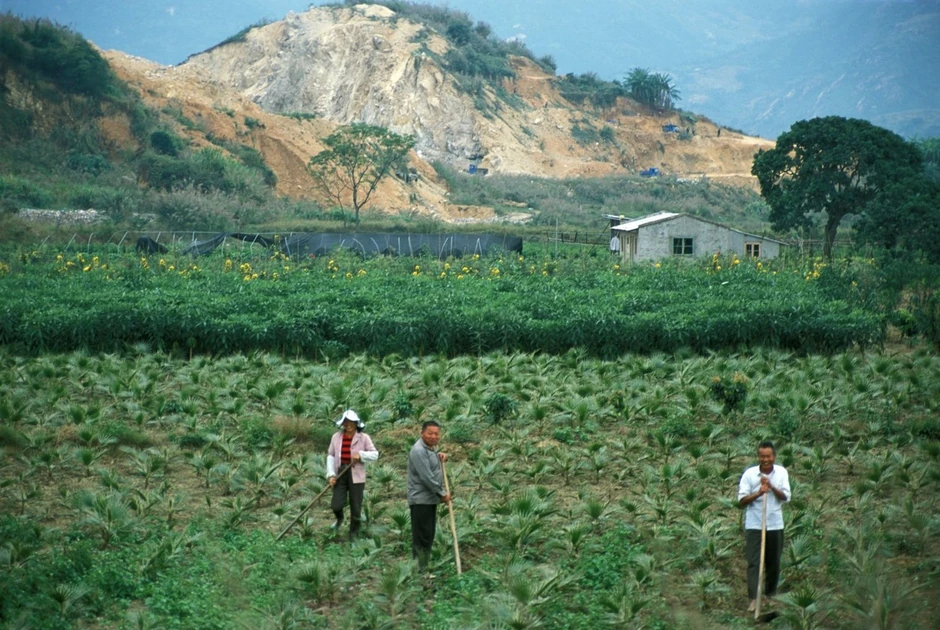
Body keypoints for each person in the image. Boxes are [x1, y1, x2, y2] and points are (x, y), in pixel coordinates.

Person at [738, 440, 791, 612]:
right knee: (754, 562)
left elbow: (786, 497)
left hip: (775, 524)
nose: (765, 459)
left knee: (773, 562)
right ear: (758, 457)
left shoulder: (782, 473)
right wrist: (759, 492)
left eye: (768, 456)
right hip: (754, 524)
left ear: (774, 456)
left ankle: (769, 596)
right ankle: (754, 599)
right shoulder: (749, 474)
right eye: (762, 456)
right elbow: (742, 501)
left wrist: (771, 486)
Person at [326, 409, 379, 540]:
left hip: (356, 475)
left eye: (351, 422)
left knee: (356, 507)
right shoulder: (336, 437)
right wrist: (331, 474)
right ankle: (339, 518)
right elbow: (331, 456)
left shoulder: (364, 438)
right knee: (336, 504)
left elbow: (375, 454)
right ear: (342, 424)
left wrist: (360, 455)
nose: (348, 425)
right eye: (346, 422)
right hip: (340, 472)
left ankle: (353, 534)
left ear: (356, 423)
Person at [407, 421, 450, 570]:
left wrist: (440, 456)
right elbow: (426, 477)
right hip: (421, 500)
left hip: (430, 499)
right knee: (422, 536)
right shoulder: (419, 450)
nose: (433, 436)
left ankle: (423, 565)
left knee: (428, 534)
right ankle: (419, 568)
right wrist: (442, 494)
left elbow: (431, 462)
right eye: (430, 433)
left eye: (436, 434)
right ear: (422, 433)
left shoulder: (430, 449)